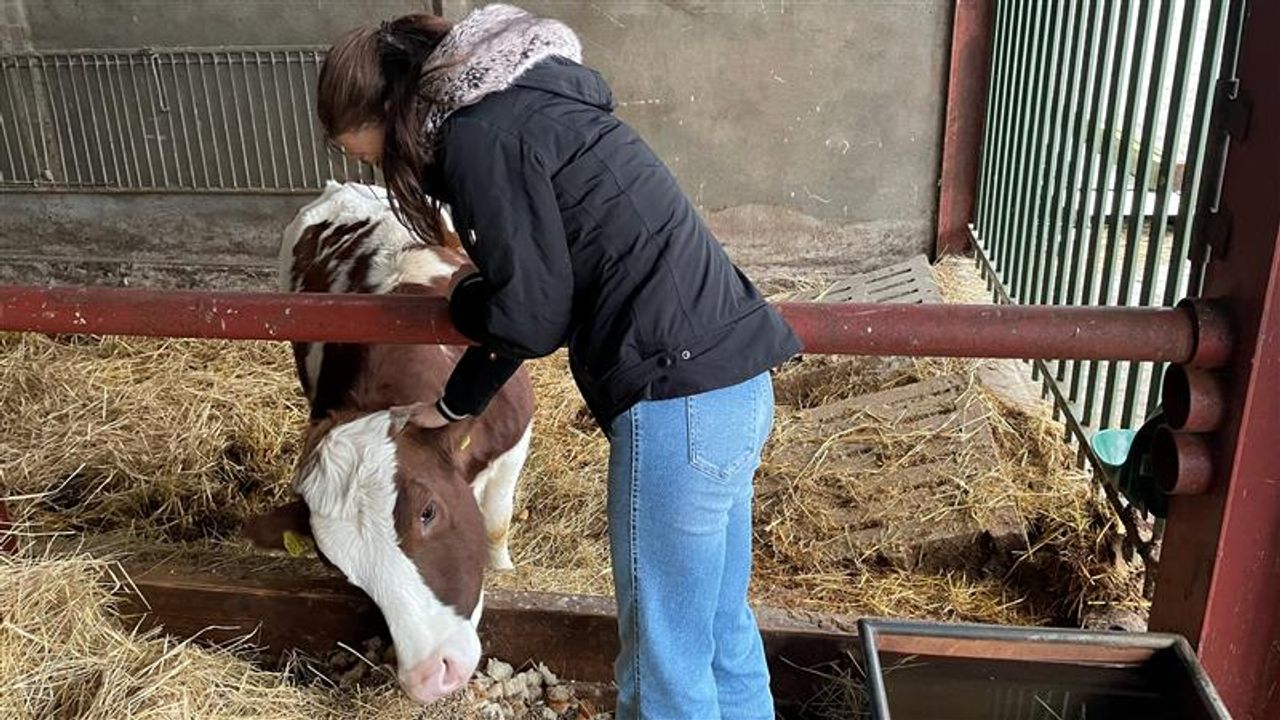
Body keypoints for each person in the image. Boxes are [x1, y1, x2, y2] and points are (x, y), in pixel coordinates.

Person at [316, 5, 801, 718]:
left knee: (664, 664)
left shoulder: (479, 139)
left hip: (676, 401)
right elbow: (541, 292)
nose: (364, 166)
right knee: (718, 631)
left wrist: (463, 294)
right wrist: (454, 404)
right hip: (734, 386)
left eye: (357, 151)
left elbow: (528, 314)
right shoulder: (530, 109)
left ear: (386, 112)